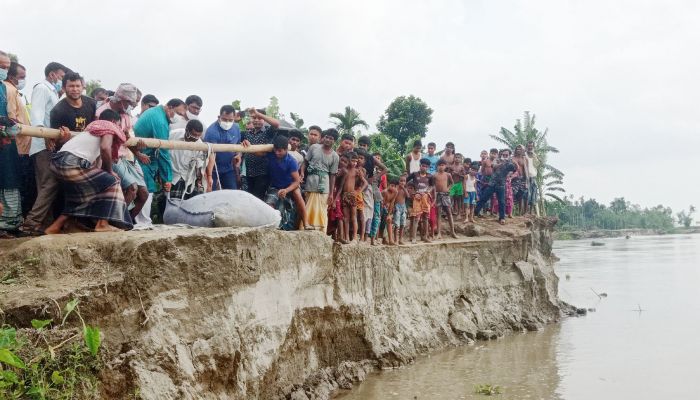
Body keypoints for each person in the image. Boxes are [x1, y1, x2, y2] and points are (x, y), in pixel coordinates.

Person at [45, 110, 132, 234]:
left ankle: (55, 227)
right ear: (113, 122)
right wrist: (110, 172)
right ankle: (102, 224)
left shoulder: (92, 130)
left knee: (81, 196)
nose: (119, 128)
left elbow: (97, 163)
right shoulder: (108, 126)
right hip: (72, 162)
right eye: (119, 125)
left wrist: (104, 177)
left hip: (58, 163)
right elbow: (105, 148)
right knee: (113, 181)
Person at [23, 62, 70, 234]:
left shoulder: (54, 92)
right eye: (61, 76)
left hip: (50, 144)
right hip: (43, 144)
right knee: (48, 184)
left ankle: (45, 225)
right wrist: (46, 137)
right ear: (52, 75)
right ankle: (31, 223)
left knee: (47, 186)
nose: (62, 80)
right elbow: (37, 117)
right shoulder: (42, 88)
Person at [133, 99, 186, 225]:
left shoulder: (157, 113)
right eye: (178, 113)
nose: (179, 117)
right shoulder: (160, 121)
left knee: (145, 190)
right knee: (147, 190)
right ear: (169, 107)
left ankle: (141, 221)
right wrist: (167, 178)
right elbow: (163, 152)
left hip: (146, 157)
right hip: (142, 158)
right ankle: (142, 222)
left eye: (182, 115)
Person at [261, 135, 313, 230]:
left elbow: (297, 182)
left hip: (291, 185)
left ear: (286, 149)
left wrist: (286, 190)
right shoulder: (271, 154)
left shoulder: (291, 161)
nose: (277, 153)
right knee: (269, 204)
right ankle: (270, 225)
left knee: (297, 194)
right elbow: (257, 153)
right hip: (275, 186)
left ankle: (306, 222)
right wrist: (247, 144)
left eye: (280, 151)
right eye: (275, 150)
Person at [3, 61, 34, 219]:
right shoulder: (8, 90)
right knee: (15, 182)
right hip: (15, 146)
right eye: (21, 77)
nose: (23, 80)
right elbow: (12, 119)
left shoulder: (12, 90)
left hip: (20, 145)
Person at [303, 129, 339, 232]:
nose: (328, 140)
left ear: (334, 141)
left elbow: (332, 175)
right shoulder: (313, 147)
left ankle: (320, 230)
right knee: (308, 204)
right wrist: (301, 173)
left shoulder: (335, 156)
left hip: (324, 184)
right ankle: (306, 226)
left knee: (322, 207)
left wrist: (331, 194)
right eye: (326, 137)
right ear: (323, 137)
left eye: (331, 138)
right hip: (311, 181)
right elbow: (305, 162)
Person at [241, 108, 280, 199]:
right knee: (250, 198)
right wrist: (244, 143)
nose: (256, 120)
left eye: (259, 118)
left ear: (264, 120)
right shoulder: (247, 134)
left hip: (263, 173)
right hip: (249, 172)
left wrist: (258, 113)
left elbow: (277, 124)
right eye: (254, 118)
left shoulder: (268, 132)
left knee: (258, 198)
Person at [169, 119, 213, 200]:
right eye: (194, 135)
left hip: (188, 179)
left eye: (198, 136)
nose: (196, 138)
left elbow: (200, 167)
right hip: (172, 176)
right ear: (187, 130)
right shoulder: (173, 135)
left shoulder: (200, 145)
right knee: (171, 205)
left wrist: (201, 180)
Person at [203, 105, 241, 190]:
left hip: (229, 169)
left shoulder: (236, 128)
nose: (227, 122)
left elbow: (238, 145)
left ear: (234, 118)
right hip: (212, 170)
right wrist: (209, 176)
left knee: (232, 193)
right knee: (211, 195)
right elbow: (210, 154)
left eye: (230, 120)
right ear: (219, 117)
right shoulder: (212, 131)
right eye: (224, 119)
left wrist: (239, 155)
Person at [475, 150, 517, 224]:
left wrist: (513, 161)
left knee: (501, 201)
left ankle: (502, 218)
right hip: (492, 183)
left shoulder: (510, 162)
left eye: (506, 155)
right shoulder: (496, 160)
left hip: (501, 185)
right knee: (484, 198)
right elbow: (494, 167)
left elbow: (515, 169)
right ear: (501, 154)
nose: (504, 156)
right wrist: (502, 163)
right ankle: (475, 212)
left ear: (509, 155)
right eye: (503, 154)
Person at [407, 158, 434, 243]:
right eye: (423, 166)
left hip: (425, 198)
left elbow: (432, 186)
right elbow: (406, 182)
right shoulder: (414, 174)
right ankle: (414, 238)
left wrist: (428, 191)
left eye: (426, 166)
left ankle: (425, 237)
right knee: (416, 218)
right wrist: (413, 193)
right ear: (420, 165)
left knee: (426, 218)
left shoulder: (430, 176)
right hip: (417, 198)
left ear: (428, 167)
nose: (424, 168)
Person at [434, 159, 457, 239]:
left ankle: (453, 232)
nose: (441, 167)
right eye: (439, 165)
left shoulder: (448, 174)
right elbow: (432, 185)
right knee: (438, 214)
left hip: (446, 195)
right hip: (438, 195)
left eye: (443, 165)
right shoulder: (435, 175)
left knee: (449, 213)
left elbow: (452, 183)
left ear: (445, 166)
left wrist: (448, 189)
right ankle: (439, 233)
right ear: (437, 166)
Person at [379, 177, 398, 245]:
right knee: (380, 223)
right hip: (381, 208)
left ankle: (390, 240)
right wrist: (381, 213)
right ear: (388, 184)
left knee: (389, 220)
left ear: (396, 187)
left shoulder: (395, 192)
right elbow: (381, 203)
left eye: (394, 186)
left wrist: (389, 214)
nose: (392, 187)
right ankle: (380, 239)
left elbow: (392, 203)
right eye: (391, 185)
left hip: (387, 209)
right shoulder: (384, 192)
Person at [511, 145, 528, 215]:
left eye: (520, 149)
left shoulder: (524, 159)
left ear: (523, 150)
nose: (518, 150)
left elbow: (526, 170)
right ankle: (510, 212)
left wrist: (526, 181)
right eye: (517, 148)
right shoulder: (512, 158)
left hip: (522, 178)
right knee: (512, 195)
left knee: (521, 196)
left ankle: (520, 213)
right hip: (514, 179)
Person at [393, 174, 409, 245]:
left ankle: (400, 239)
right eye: (401, 181)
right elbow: (393, 199)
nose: (402, 182)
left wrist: (404, 188)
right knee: (397, 224)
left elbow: (408, 196)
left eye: (404, 181)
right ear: (398, 181)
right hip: (397, 207)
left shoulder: (404, 189)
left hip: (403, 207)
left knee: (402, 224)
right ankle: (395, 239)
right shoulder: (396, 189)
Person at [525, 141, 539, 215]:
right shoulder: (524, 155)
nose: (530, 147)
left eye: (531, 146)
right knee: (527, 194)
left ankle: (531, 212)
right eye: (529, 146)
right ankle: (525, 212)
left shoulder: (535, 155)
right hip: (526, 177)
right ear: (526, 147)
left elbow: (537, 165)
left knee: (533, 194)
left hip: (533, 177)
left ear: (533, 147)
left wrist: (535, 156)